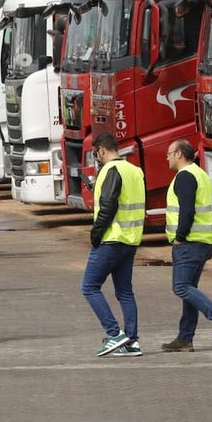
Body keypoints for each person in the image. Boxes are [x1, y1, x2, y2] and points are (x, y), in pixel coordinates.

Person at [161, 139, 212, 353]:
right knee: (189, 289)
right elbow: (211, 208)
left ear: (178, 154)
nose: (166, 157)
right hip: (203, 242)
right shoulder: (200, 175)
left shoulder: (184, 177)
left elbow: (187, 210)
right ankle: (185, 338)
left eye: (168, 153)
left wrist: (180, 237)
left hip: (189, 243)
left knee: (181, 287)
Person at [83, 133, 144, 358]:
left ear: (101, 150)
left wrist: (95, 234)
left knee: (89, 286)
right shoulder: (135, 171)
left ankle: (114, 333)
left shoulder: (110, 170)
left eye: (95, 153)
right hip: (131, 239)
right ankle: (132, 342)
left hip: (112, 238)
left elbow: (108, 206)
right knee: (125, 292)